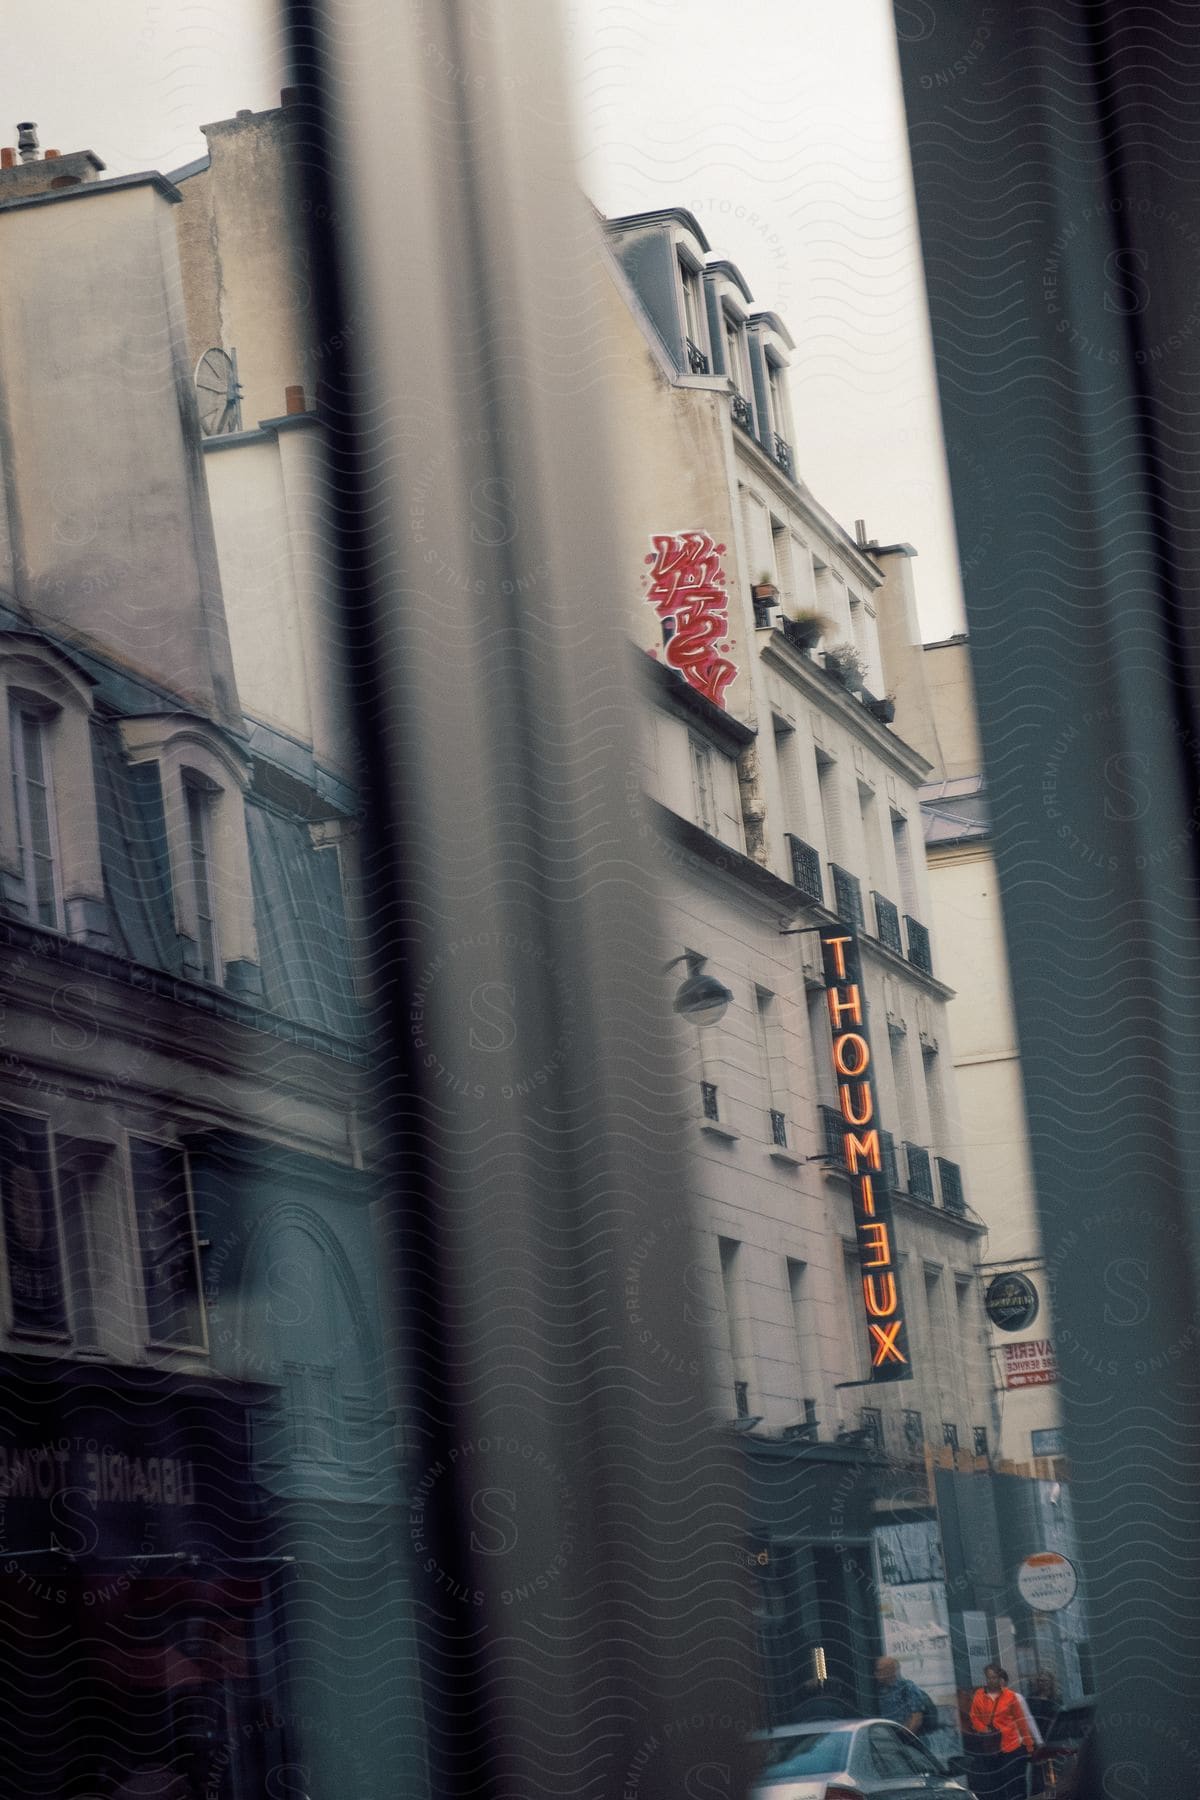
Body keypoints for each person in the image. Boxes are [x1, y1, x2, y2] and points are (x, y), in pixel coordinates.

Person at [968, 1664, 1035, 1800]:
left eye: (994, 1677)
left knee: (1016, 1782)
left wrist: (1029, 1745)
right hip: (992, 1747)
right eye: (988, 1678)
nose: (990, 1681)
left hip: (1011, 1745)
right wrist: (984, 1729)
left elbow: (1021, 1721)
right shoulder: (979, 1695)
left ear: (1000, 1678)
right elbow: (974, 1717)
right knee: (998, 1783)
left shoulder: (1010, 1697)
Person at [875, 1656, 934, 1739]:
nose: (876, 1673)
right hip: (885, 1739)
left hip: (906, 1740)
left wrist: (904, 1738)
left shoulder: (907, 1688)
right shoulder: (877, 1690)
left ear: (891, 1671)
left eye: (880, 1670)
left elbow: (916, 1719)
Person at [1025, 1671, 1060, 1795]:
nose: (1042, 1684)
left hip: (1053, 1738)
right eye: (1040, 1681)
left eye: (1045, 1681)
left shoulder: (1056, 1699)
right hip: (1037, 1739)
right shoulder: (1031, 1699)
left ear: (1050, 1683)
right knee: (1038, 1772)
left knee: (1054, 1770)